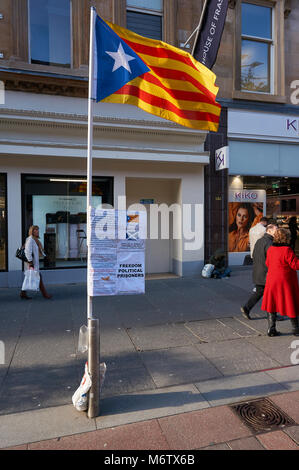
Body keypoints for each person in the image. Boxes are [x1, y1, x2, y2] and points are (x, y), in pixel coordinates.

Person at [261, 228, 299, 337]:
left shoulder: (271, 249)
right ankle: (296, 329)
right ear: (286, 238)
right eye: (289, 236)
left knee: (271, 303)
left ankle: (271, 329)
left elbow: (267, 263)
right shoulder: (287, 250)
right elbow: (295, 265)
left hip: (272, 280)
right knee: (290, 301)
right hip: (285, 280)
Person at [241, 224, 277, 320]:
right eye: (275, 230)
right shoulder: (270, 243)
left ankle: (246, 308)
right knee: (271, 294)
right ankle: (272, 316)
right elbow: (271, 259)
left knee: (260, 292)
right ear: (269, 231)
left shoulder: (260, 241)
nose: (277, 232)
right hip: (266, 273)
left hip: (258, 271)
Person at [20, 225, 52, 300]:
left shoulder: (35, 240)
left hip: (32, 262)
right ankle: (45, 294)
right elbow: (27, 251)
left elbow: (38, 251)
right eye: (35, 230)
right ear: (32, 231)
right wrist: (30, 262)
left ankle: (23, 293)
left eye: (38, 230)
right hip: (31, 262)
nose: (37, 231)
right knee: (38, 276)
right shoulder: (30, 239)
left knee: (28, 277)